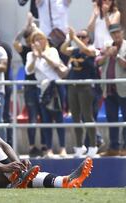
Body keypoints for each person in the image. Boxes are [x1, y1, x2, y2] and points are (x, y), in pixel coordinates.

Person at [25, 31, 68, 158]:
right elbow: (29, 70)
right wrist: (34, 56)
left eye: (41, 39)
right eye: (36, 40)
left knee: (59, 118)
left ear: (46, 40)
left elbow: (55, 64)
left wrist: (42, 55)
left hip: (55, 87)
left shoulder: (52, 51)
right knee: (45, 119)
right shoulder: (30, 54)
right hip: (41, 88)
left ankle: (62, 148)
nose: (39, 42)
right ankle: (49, 149)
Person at [60, 27, 99, 158]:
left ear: (88, 38)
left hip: (85, 87)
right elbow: (63, 50)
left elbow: (87, 51)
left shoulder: (93, 49)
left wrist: (75, 38)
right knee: (75, 118)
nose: (81, 39)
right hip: (73, 86)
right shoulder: (75, 51)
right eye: (79, 36)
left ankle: (93, 145)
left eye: (83, 37)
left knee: (88, 116)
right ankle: (78, 146)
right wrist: (69, 39)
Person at [13, 13, 45, 157]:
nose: (35, 40)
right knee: (32, 116)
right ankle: (32, 146)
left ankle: (45, 145)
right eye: (32, 37)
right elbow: (15, 42)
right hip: (30, 86)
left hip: (44, 85)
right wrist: (26, 27)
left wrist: (35, 27)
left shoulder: (46, 50)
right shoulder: (26, 51)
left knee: (45, 116)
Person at [96, 23, 126, 156]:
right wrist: (107, 55)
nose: (116, 35)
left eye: (118, 32)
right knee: (111, 120)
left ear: (122, 33)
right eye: (113, 33)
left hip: (124, 89)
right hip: (108, 89)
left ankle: (124, 148)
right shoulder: (108, 45)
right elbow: (97, 62)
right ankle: (114, 147)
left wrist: (117, 56)